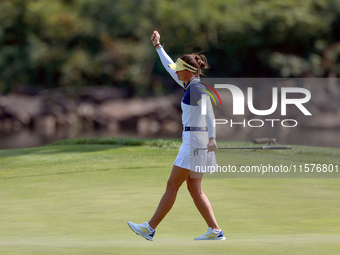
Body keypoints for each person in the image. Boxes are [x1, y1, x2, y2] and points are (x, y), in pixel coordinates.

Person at [127, 30, 225, 241]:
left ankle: (150, 228)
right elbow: (169, 66)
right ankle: (215, 231)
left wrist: (212, 138)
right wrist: (158, 46)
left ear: (189, 72)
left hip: (194, 142)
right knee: (194, 188)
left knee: (173, 185)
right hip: (197, 141)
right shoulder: (189, 84)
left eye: (180, 70)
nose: (176, 72)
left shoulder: (196, 89)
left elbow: (210, 112)